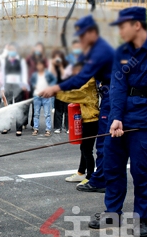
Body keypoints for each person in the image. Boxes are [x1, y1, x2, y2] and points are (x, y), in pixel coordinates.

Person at [88, 6, 147, 237]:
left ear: (137, 25)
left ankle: (141, 218)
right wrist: (115, 119)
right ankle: (113, 212)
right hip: (118, 117)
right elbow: (118, 87)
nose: (120, 32)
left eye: (123, 26)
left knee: (141, 171)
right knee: (112, 167)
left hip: (143, 117)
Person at [40, 15, 115, 193]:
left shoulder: (99, 51)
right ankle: (94, 176)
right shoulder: (98, 50)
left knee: (102, 145)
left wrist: (55, 89)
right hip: (109, 97)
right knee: (96, 146)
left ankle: (98, 178)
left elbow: (81, 82)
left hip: (106, 103)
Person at [56, 62, 98, 183]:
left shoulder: (89, 84)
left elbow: (75, 94)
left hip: (92, 120)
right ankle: (81, 172)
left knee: (86, 148)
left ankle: (90, 176)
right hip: (87, 118)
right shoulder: (87, 81)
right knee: (84, 147)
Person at [0, 43, 29, 136]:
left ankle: (19, 128)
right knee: (7, 106)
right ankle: (6, 126)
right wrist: (2, 87)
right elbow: (3, 74)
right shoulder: (5, 60)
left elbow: (24, 73)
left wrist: (24, 83)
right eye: (10, 49)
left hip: (18, 85)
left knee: (18, 106)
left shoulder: (21, 60)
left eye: (13, 49)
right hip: (8, 85)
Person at [30, 60, 56, 136]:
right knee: (36, 114)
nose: (39, 67)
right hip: (36, 96)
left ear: (43, 66)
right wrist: (34, 85)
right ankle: (35, 129)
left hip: (46, 97)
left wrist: (49, 86)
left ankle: (48, 129)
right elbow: (31, 81)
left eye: (40, 65)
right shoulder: (35, 74)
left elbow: (54, 80)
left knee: (47, 114)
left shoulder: (48, 73)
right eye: (38, 65)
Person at [49, 50, 72, 134]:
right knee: (58, 110)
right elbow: (52, 75)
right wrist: (53, 64)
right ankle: (57, 127)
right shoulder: (55, 66)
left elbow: (64, 75)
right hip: (58, 90)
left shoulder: (68, 65)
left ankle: (68, 127)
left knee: (67, 109)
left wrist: (61, 66)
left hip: (67, 90)